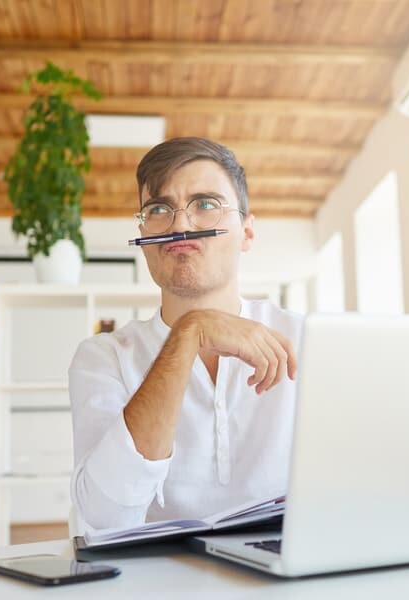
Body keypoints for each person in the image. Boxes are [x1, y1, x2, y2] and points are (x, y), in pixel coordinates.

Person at [69, 137, 302, 531]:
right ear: (144, 239)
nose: (179, 226)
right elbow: (106, 518)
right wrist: (188, 333)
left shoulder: (306, 339)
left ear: (247, 233)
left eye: (206, 204)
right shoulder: (102, 357)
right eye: (159, 209)